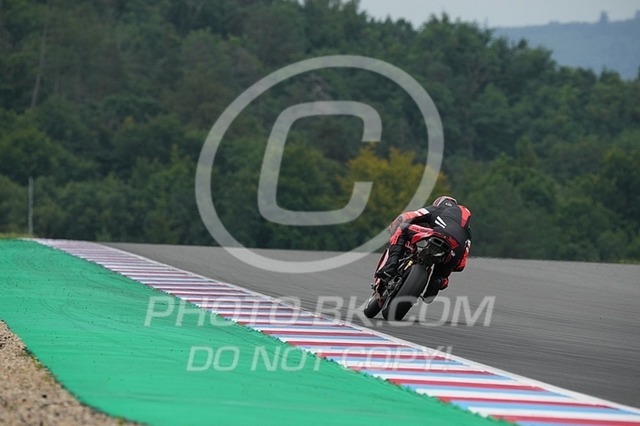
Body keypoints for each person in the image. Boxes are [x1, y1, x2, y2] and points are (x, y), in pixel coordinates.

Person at [375, 195, 472, 297]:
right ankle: (432, 290)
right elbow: (460, 265)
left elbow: (408, 216)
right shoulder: (467, 231)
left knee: (402, 229)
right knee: (441, 275)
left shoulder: (438, 209)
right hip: (455, 248)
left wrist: (393, 226)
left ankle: (390, 266)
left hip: (438, 234)